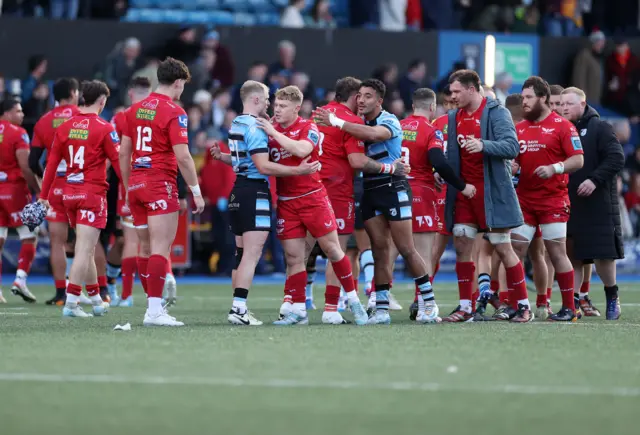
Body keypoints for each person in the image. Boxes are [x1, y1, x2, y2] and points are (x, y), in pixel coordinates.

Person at [314, 79, 442, 325]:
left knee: (406, 248)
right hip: (371, 190)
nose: (362, 100)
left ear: (379, 101)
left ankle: (429, 302)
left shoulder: (389, 120)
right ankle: (381, 307)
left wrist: (337, 122)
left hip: (394, 188)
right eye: (360, 95)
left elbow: (375, 134)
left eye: (368, 96)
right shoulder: (357, 123)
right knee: (380, 250)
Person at [209, 80, 319, 326]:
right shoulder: (256, 127)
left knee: (240, 254)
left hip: (238, 191)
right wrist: (298, 172)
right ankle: (239, 309)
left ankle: (237, 306)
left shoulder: (236, 122)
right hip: (254, 191)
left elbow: (243, 161)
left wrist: (224, 157)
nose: (271, 104)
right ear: (256, 99)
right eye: (268, 98)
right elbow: (262, 166)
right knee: (252, 253)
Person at [257, 85, 368, 326]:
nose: (277, 110)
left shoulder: (308, 127)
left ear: (297, 108)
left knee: (333, 249)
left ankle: (353, 300)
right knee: (294, 257)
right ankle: (298, 310)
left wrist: (273, 133)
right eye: (276, 105)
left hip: (313, 197)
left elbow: (301, 149)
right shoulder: (270, 130)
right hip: (287, 202)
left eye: (283, 106)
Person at [119, 57, 205, 327]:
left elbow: (124, 152)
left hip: (136, 184)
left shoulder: (133, 111)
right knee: (160, 248)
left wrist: (128, 184)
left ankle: (152, 306)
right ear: (178, 83)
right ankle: (155, 311)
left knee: (145, 247)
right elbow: (183, 156)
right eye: (182, 86)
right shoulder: (174, 112)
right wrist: (195, 190)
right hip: (159, 183)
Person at [441, 69, 532, 323]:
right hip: (464, 192)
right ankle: (465, 307)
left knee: (503, 247)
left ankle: (524, 306)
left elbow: (512, 147)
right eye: (452, 91)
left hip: (492, 191)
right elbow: (453, 152)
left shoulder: (496, 112)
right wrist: (445, 173)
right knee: (461, 244)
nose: (453, 95)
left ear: (472, 89)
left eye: (458, 91)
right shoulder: (453, 117)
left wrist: (484, 145)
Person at [38, 80, 121, 318]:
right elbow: (116, 163)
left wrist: (44, 196)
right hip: (92, 195)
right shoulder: (105, 128)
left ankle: (95, 299)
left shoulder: (64, 127)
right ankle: (72, 303)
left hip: (69, 194)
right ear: (102, 102)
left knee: (86, 246)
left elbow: (51, 165)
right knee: (84, 249)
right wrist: (130, 189)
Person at [511, 76, 584, 322]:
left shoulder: (562, 126)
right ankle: (520, 306)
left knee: (556, 253)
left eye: (529, 97)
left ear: (542, 98)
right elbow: (516, 162)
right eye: (522, 98)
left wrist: (555, 168)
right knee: (515, 250)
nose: (525, 101)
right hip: (524, 201)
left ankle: (569, 309)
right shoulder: (519, 127)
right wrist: (511, 167)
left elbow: (578, 159)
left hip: (553, 200)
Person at [401, 87, 476, 317]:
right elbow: (438, 159)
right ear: (435, 106)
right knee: (465, 250)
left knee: (396, 249)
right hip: (446, 192)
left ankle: (379, 301)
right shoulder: (438, 125)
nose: (452, 103)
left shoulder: (402, 125)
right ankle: (464, 303)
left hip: (408, 190)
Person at [561, 87, 625, 321]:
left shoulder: (600, 127)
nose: (564, 107)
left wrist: (594, 180)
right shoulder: (562, 129)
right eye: (562, 104)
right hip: (570, 202)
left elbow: (617, 157)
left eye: (569, 103)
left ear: (582, 104)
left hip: (598, 203)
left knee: (603, 257)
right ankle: (573, 303)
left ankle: (612, 297)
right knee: (573, 255)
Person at [30, 78, 81, 306]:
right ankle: (95, 290)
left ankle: (62, 293)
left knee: (56, 242)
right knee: (86, 240)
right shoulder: (83, 116)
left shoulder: (43, 121)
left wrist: (44, 183)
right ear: (73, 93)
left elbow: (33, 161)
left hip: (54, 188)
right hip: (81, 185)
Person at [109, 76, 152, 307]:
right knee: (152, 241)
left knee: (131, 240)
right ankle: (155, 291)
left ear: (131, 94)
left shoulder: (121, 117)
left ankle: (125, 294)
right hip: (155, 182)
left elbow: (117, 154)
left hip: (128, 183)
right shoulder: (161, 113)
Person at [0, 98, 40, 304]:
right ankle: (20, 280)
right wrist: (38, 189)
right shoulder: (18, 133)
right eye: (18, 110)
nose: (22, 114)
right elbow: (25, 167)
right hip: (14, 191)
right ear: (7, 113)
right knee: (30, 237)